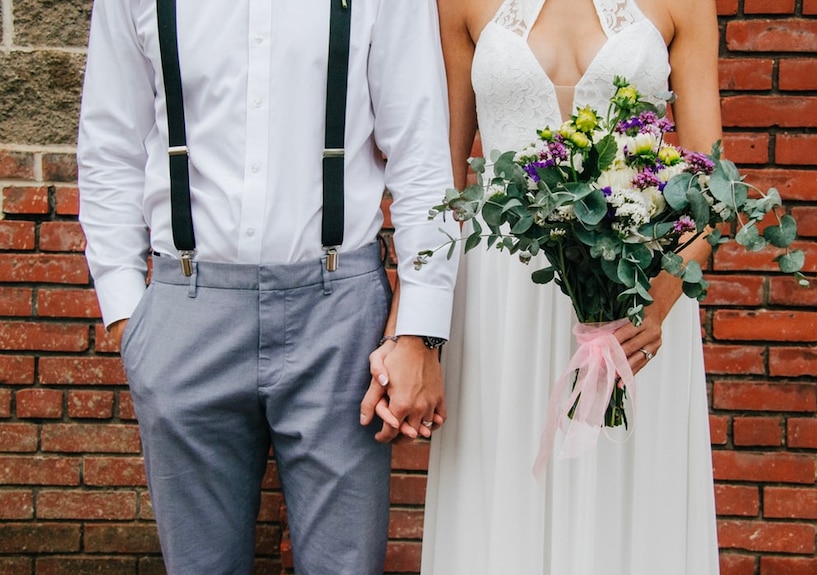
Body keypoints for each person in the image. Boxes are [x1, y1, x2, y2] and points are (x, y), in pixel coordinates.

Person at [76, 1, 460, 574]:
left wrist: (420, 331)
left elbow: (421, 153)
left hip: (340, 317)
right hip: (187, 311)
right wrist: (131, 316)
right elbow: (109, 144)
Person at [416, 0, 723, 573]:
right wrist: (419, 333)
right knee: (503, 483)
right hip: (499, 299)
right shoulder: (460, 3)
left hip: (635, 294)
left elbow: (712, 188)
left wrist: (654, 308)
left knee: (624, 492)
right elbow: (443, 178)